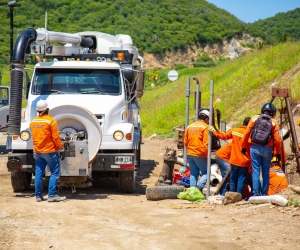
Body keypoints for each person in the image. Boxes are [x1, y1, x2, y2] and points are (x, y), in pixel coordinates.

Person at [30, 100, 66, 202]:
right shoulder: (51, 121)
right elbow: (55, 137)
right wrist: (60, 146)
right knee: (55, 172)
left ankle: (38, 196)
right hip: (49, 151)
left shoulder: (33, 122)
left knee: (39, 173)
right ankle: (52, 195)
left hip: (37, 151)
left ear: (37, 110)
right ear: (47, 109)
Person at [242, 103, 281, 196]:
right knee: (265, 172)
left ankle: (255, 193)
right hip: (268, 149)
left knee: (255, 171)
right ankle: (264, 194)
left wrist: (243, 146)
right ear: (273, 112)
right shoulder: (274, 122)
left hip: (255, 148)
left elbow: (246, 133)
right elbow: (277, 140)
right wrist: (277, 153)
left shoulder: (254, 118)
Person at [208, 117, 251, 197]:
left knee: (233, 179)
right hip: (244, 162)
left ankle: (231, 197)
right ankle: (238, 197)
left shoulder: (235, 131)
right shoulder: (250, 136)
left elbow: (223, 136)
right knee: (241, 179)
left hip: (234, 161)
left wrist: (214, 131)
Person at [184, 109, 210, 192]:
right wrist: (207, 156)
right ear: (206, 118)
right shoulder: (205, 127)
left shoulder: (189, 126)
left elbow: (185, 142)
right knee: (207, 172)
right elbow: (206, 144)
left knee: (193, 173)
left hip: (190, 153)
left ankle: (192, 191)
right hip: (199, 154)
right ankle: (199, 187)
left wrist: (190, 150)